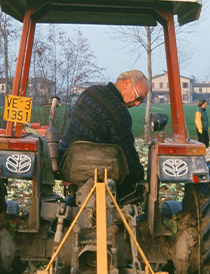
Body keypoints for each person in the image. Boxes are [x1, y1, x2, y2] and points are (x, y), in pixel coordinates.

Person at [58, 69, 149, 197]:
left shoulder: (89, 92)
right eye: (138, 97)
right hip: (99, 174)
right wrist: (139, 178)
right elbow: (128, 154)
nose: (138, 104)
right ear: (127, 84)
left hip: (69, 168)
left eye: (141, 101)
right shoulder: (119, 111)